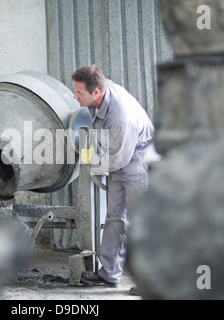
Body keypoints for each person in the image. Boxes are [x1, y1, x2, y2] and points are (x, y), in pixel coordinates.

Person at [72, 65, 154, 289]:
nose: (75, 96)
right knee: (115, 218)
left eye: (79, 93)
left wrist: (90, 159)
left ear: (96, 92)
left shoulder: (121, 118)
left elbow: (118, 159)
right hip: (120, 157)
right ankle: (109, 273)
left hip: (137, 159)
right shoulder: (102, 94)